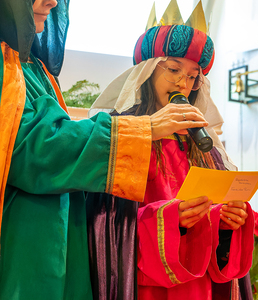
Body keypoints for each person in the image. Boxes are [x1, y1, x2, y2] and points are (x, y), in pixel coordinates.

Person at [0, 1, 207, 299]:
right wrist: (143, 129)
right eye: (173, 69)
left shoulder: (34, 68)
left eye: (192, 76)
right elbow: (33, 144)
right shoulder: (6, 65)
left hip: (64, 248)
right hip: (23, 249)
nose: (53, 2)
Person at [88, 3, 255, 300]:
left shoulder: (201, 142)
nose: (183, 83)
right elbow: (106, 223)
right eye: (174, 69)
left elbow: (214, 208)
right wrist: (168, 220)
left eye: (193, 76)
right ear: (148, 71)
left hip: (198, 284)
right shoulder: (124, 133)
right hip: (146, 284)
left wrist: (227, 219)